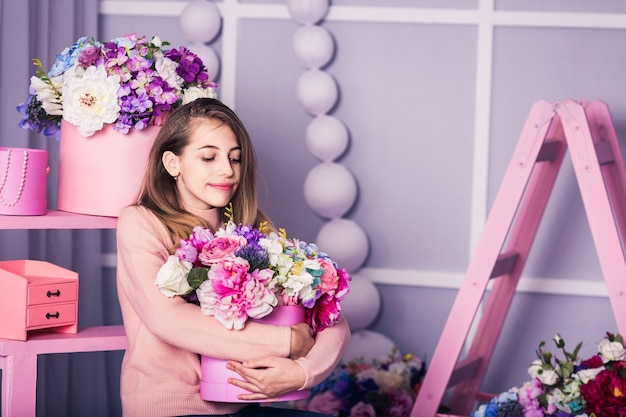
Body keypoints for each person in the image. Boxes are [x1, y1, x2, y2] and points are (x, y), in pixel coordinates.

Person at [116, 97, 351, 417]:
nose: (227, 170)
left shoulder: (253, 231)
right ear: (173, 163)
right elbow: (167, 320)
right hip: (170, 409)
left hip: (240, 407)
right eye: (209, 157)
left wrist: (303, 372)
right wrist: (286, 343)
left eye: (235, 158)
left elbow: (329, 317)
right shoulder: (141, 222)